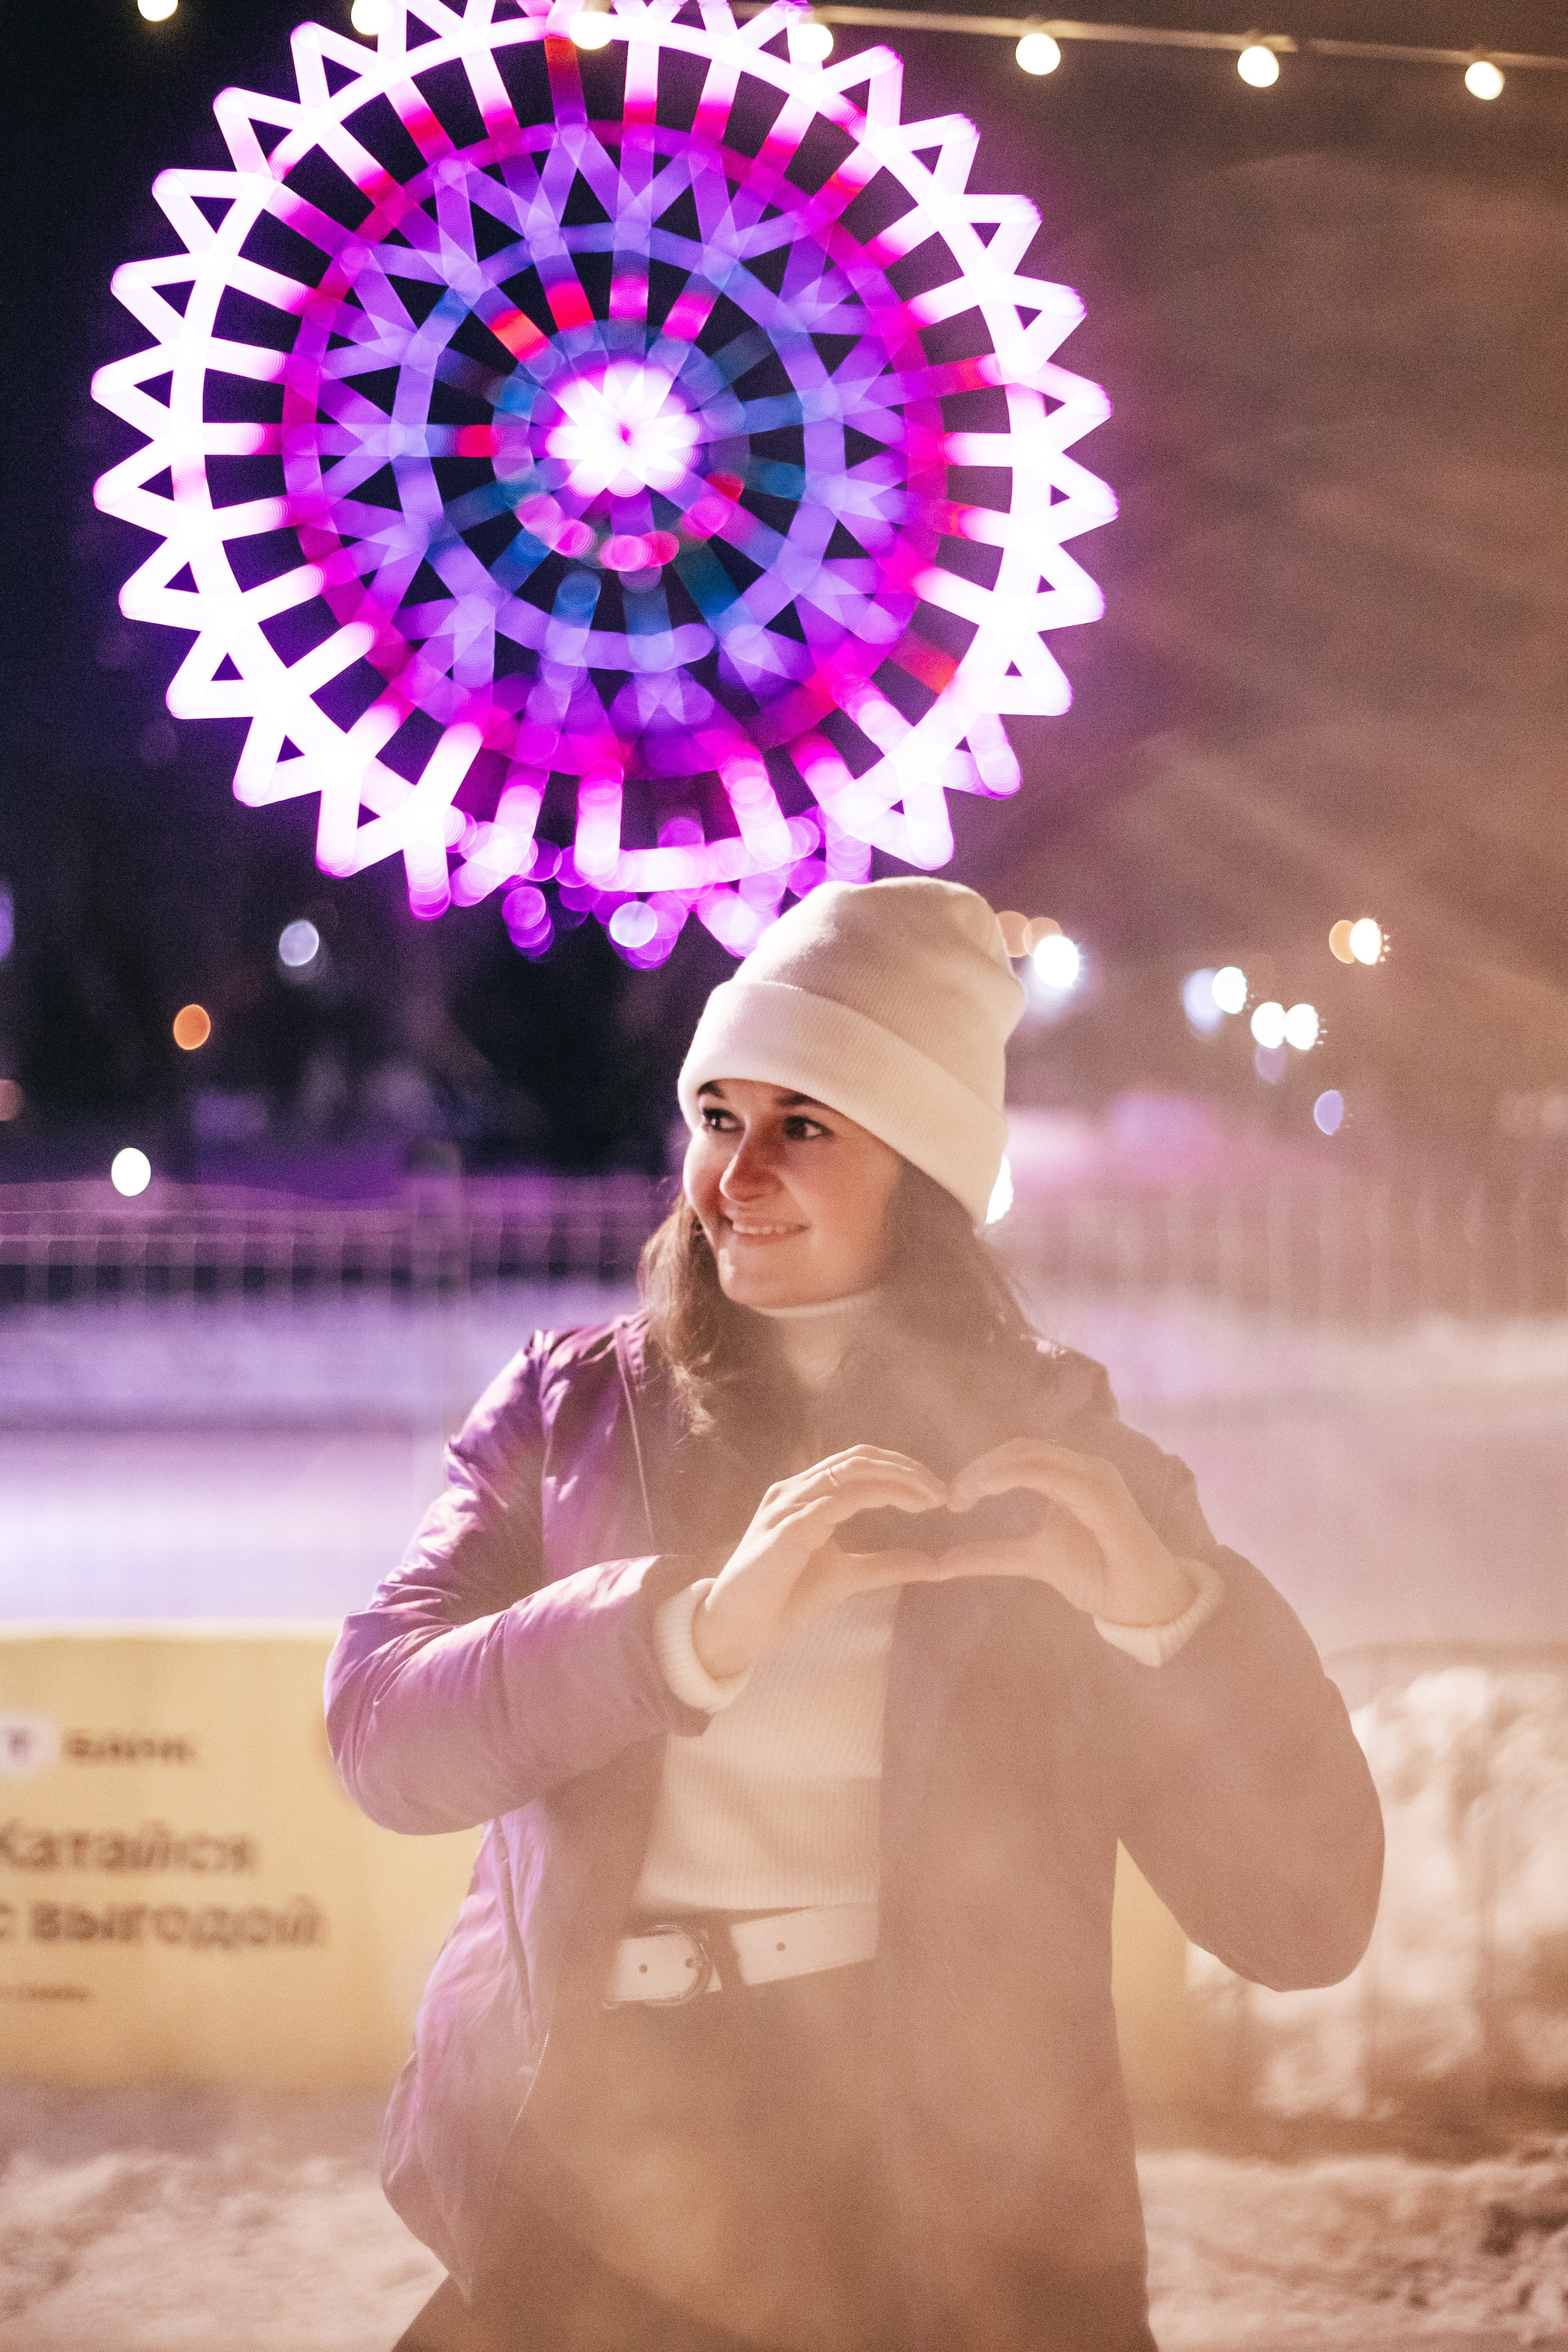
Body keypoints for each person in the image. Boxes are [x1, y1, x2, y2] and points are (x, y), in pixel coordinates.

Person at [326, 877, 1382, 2352]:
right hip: (586, 2151)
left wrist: (1168, 1618)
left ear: (926, 1170)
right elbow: (380, 1733)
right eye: (714, 1117)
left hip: (921, 2174)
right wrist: (681, 1632)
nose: (735, 1176)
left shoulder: (1069, 1473)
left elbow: (1301, 1915)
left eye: (802, 1126)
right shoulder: (573, 1413)